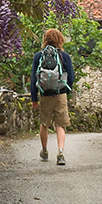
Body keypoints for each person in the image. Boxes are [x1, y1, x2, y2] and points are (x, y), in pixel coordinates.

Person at [30, 28, 75, 165]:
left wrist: (34, 98)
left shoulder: (38, 56)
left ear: (45, 40)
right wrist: (66, 92)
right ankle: (60, 152)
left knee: (44, 124)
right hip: (60, 93)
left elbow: (33, 78)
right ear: (60, 39)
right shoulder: (64, 56)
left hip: (45, 94)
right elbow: (71, 77)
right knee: (60, 125)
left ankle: (44, 150)